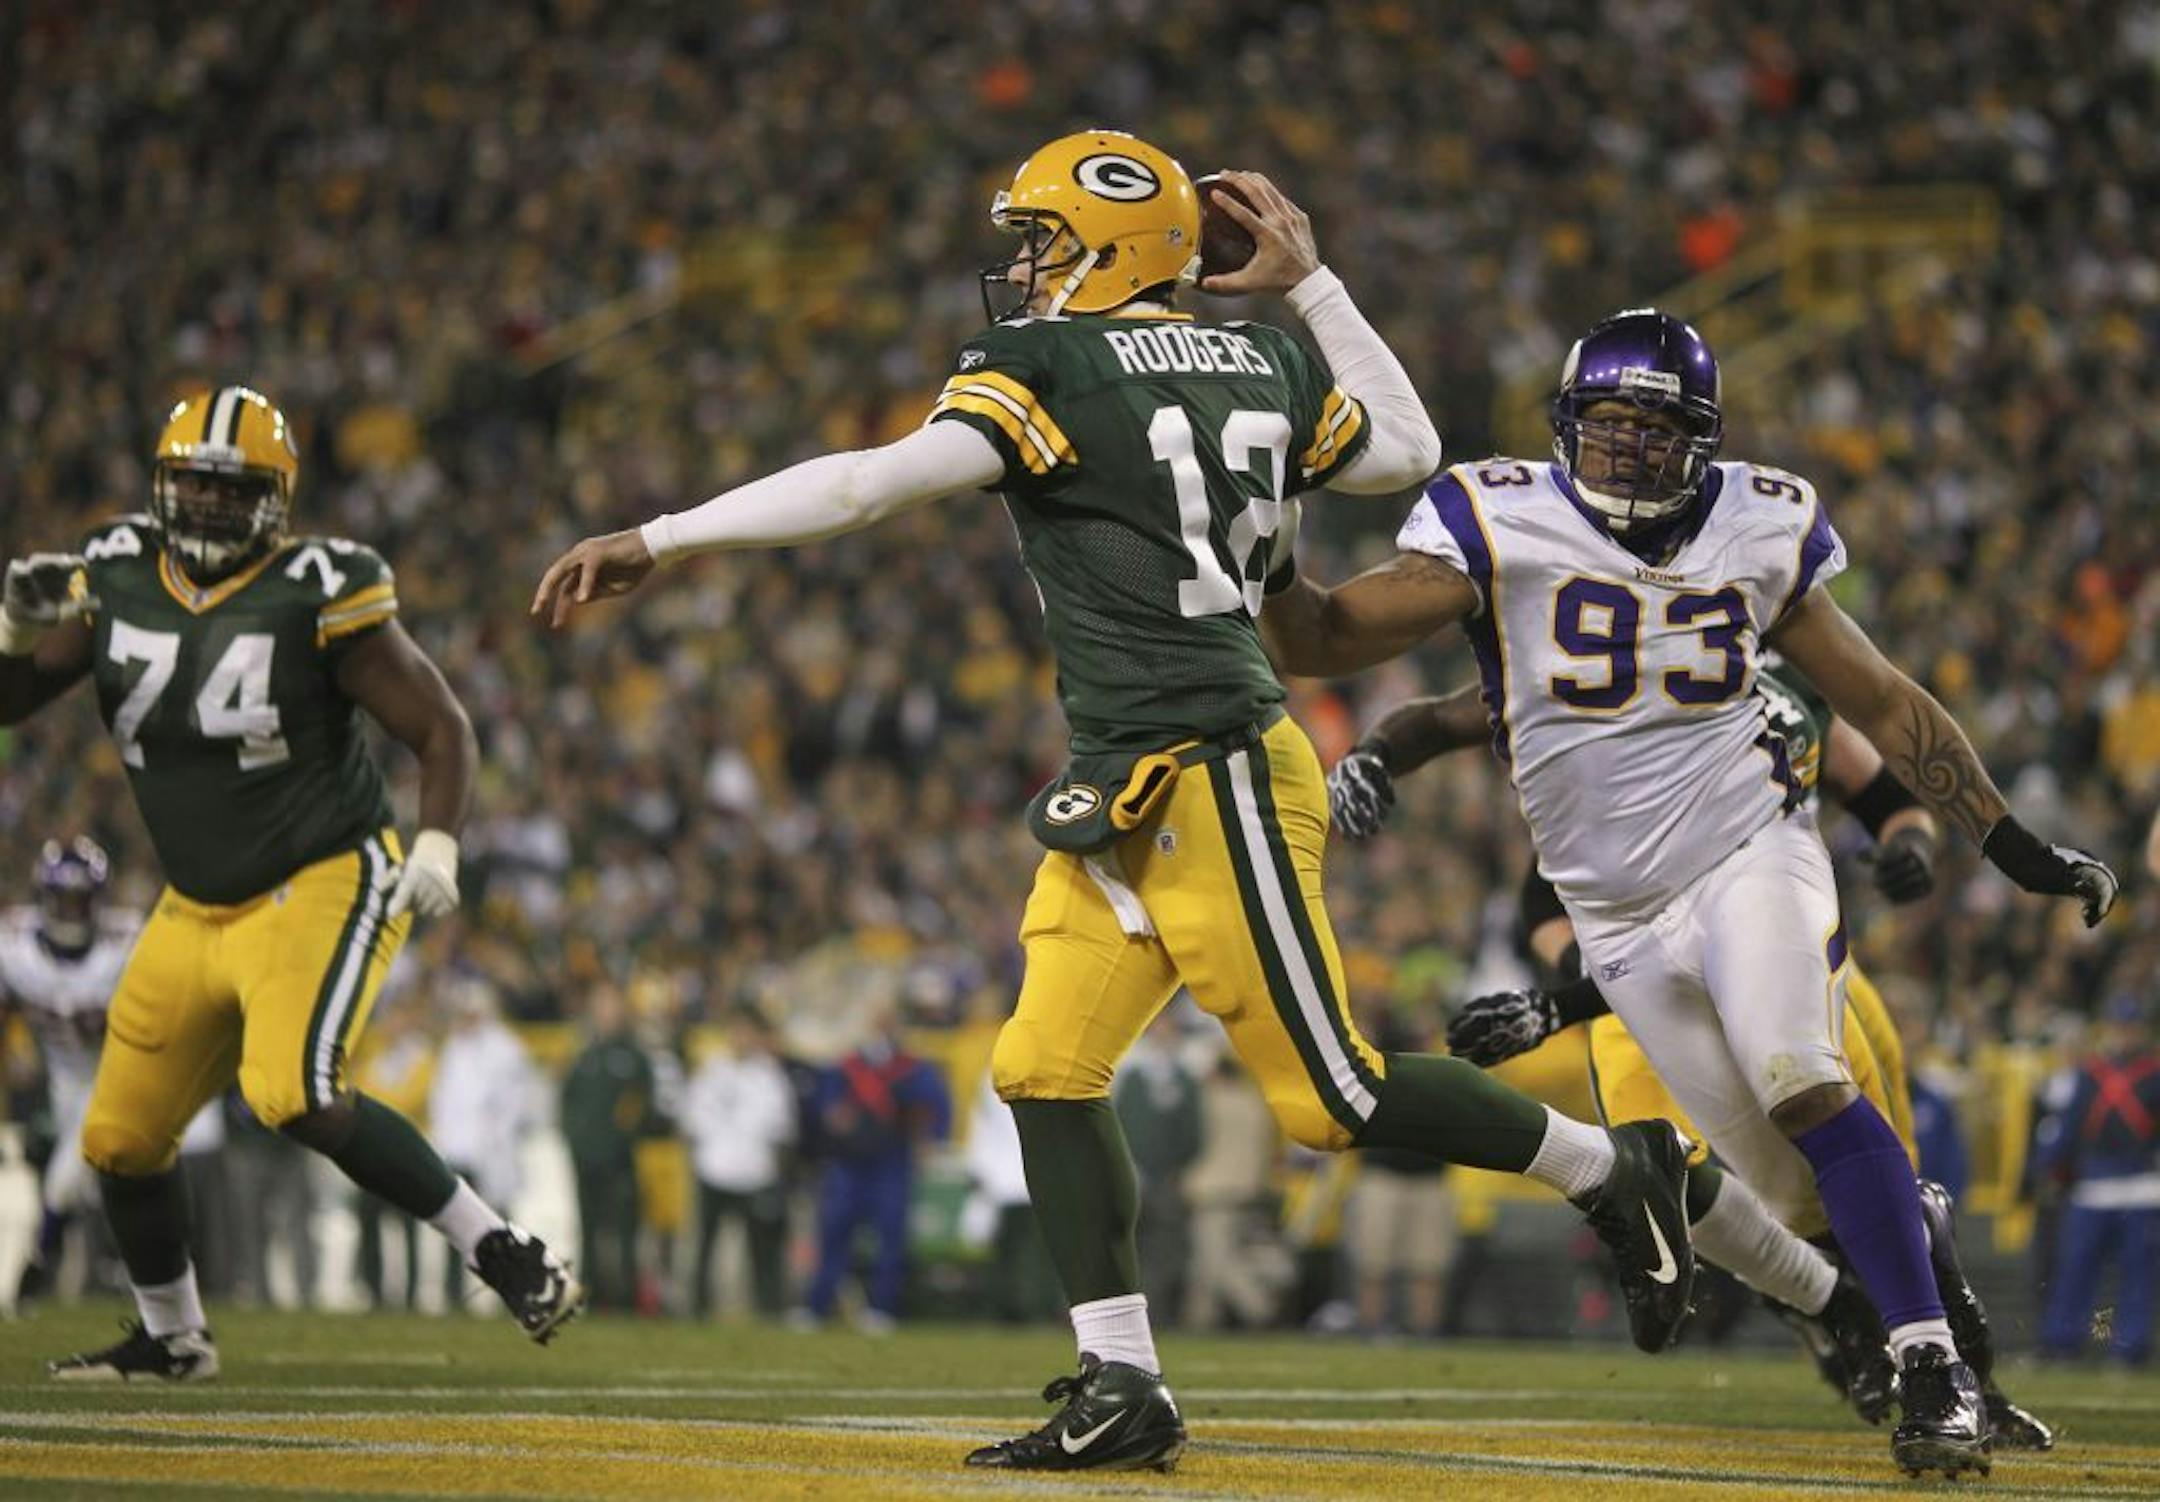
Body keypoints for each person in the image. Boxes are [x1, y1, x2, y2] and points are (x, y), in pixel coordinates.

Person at [534, 131, 1699, 1474]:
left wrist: (659, 536)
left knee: (1334, 1099)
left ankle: (1615, 1170)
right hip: (1126, 780)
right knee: (1039, 1067)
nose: (1019, 267)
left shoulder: (1046, 365)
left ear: (1109, 248)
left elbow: (864, 486)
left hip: (1216, 762)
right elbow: (1410, 449)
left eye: (1039, 241)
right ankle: (1123, 1379)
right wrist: (1313, 287)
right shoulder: (1261, 354)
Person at [1261, 309, 2117, 1477]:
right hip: (1613, 916)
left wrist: (2010, 843)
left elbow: (1884, 698)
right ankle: (1893, 1267)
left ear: (1699, 440)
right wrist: (1261, 546)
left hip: (1749, 850)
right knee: (1778, 1201)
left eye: (1654, 427)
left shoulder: (1763, 523)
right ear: (1567, 425)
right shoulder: (1495, 516)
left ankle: (1932, 1367)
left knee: (1800, 1074)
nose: (1625, 447)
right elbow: (1326, 639)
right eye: (1606, 421)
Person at [0, 386, 581, 1380]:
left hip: (324, 872)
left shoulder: (319, 586)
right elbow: (11, 698)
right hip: (197, 899)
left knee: (289, 1089)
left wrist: (437, 841)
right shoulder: (118, 570)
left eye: (237, 491)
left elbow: (441, 726)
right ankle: (173, 1333)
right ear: (161, 485)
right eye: (195, 486)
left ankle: (504, 1249)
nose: (212, 508)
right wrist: (14, 627)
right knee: (118, 1137)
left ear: (279, 500)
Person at [1328, 667, 2057, 1448]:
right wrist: (1373, 752)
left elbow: (1888, 794)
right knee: (1672, 1180)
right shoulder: (1586, 654)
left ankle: (1960, 1373)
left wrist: (1909, 843)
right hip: (1637, 976)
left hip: (1777, 939)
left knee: (1885, 1210)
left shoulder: (1774, 649)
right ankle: (1830, 1308)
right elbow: (1551, 888)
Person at [0, 838, 139, 1306]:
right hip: (62, 1076)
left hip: (120, 1072)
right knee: (87, 1182)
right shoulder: (15, 947)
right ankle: (107, 1266)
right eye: (65, 899)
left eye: (82, 900)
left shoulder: (124, 945)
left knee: (72, 1170)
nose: (73, 911)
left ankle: (38, 1263)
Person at [801, 1010, 951, 1331]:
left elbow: (935, 1108)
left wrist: (930, 1138)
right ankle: (817, 1306)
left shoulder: (912, 1067)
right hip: (849, 1161)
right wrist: (830, 1120)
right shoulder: (847, 1067)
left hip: (891, 1160)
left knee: (890, 1238)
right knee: (833, 1235)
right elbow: (822, 1108)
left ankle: (882, 1308)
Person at [2034, 994, 2160, 1365]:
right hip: (2094, 1187)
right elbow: (2071, 1127)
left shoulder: (2151, 1075)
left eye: (2130, 1027)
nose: (2124, 1035)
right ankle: (2063, 1341)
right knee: (2075, 1271)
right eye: (2119, 1027)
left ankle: (2130, 1347)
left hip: (2141, 1187)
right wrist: (2048, 1166)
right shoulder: (2089, 1075)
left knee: (2137, 1275)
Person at [428, 978, 542, 1310]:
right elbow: (444, 1101)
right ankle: (454, 1297)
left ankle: (510, 1293)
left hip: (491, 1153)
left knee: (497, 1229)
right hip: (456, 1152)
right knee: (454, 1226)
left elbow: (515, 1105)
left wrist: (495, 1141)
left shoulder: (506, 1049)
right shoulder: (454, 1048)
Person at [683, 1008, 797, 1319]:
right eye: (736, 1030)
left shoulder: (770, 1076)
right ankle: (697, 1309)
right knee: (705, 1246)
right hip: (714, 1170)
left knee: (761, 1251)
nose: (740, 1038)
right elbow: (691, 1120)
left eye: (746, 1031)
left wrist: (774, 1175)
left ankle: (769, 1310)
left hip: (755, 1174)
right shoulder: (712, 1070)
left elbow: (781, 1130)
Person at [560, 980, 662, 1312]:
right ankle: (589, 1299)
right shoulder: (584, 1054)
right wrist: (574, 1138)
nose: (605, 1012)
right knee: (588, 1231)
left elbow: (643, 1104)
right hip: (585, 1157)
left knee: (625, 1234)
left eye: (611, 1004)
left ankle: (628, 1301)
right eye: (600, 1004)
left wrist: (623, 1137)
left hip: (620, 1159)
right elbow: (567, 1101)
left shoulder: (633, 1056)